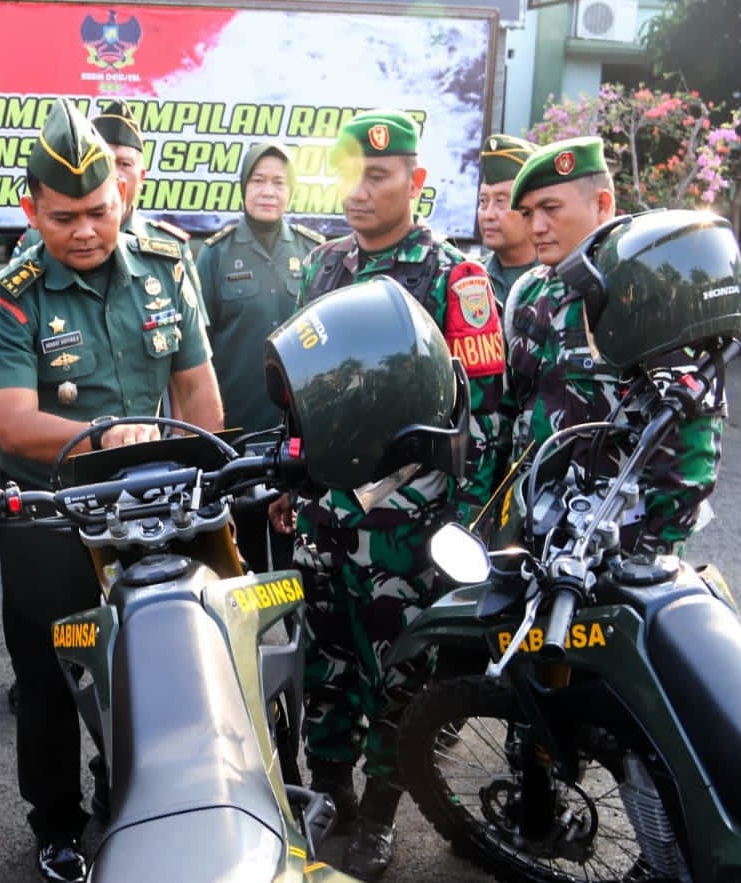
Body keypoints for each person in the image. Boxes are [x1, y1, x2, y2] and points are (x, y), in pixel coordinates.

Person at [0, 98, 223, 882]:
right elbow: (11, 425)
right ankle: (55, 823)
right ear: (30, 208)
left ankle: (133, 796)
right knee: (51, 677)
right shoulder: (10, 294)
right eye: (64, 216)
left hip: (152, 504)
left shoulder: (166, 264)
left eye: (99, 211)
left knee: (159, 663)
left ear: (123, 196)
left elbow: (201, 398)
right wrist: (104, 434)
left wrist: (197, 463)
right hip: (49, 512)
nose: (84, 230)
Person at [270, 108, 506, 881]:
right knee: (326, 666)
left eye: (378, 176)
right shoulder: (326, 266)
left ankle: (379, 813)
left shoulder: (454, 279)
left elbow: (486, 413)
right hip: (324, 519)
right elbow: (307, 396)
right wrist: (293, 477)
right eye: (349, 175)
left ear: (416, 181)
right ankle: (330, 791)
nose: (359, 191)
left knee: (398, 674)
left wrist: (460, 524)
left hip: (404, 527)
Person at [504, 136, 724, 553]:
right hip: (534, 535)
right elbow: (511, 412)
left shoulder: (650, 290)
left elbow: (692, 433)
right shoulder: (530, 294)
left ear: (602, 204)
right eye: (528, 213)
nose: (536, 227)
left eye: (550, 209)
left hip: (615, 548)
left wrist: (649, 554)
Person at [196, 140, 324, 572]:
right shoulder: (215, 254)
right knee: (241, 565)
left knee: (299, 562)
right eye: (258, 181)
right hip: (237, 435)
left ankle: (300, 640)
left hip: (298, 433)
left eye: (278, 182)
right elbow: (197, 355)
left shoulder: (314, 253)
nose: (268, 191)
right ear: (243, 187)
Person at [13, 99, 202, 299]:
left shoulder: (168, 247)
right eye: (106, 164)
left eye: (124, 164)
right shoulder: (39, 238)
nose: (115, 174)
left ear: (141, 177)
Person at [477, 133, 539, 299]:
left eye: (500, 201)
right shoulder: (469, 277)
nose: (488, 215)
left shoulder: (559, 278)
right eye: (483, 201)